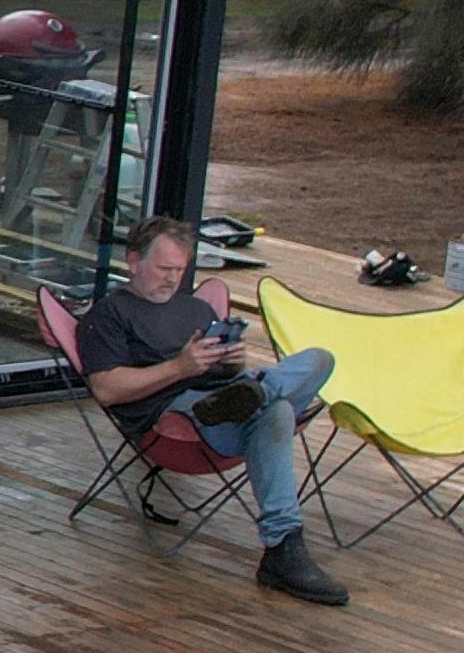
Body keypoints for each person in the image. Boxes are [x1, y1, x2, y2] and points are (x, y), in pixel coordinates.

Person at [78, 217, 345, 604]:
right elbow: (105, 390)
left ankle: (258, 391)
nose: (172, 279)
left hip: (223, 400)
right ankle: (284, 548)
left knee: (320, 359)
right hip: (177, 419)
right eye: (163, 269)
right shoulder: (109, 315)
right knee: (278, 413)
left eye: (180, 270)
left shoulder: (196, 310)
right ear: (134, 262)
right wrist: (179, 368)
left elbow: (218, 365)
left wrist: (233, 362)